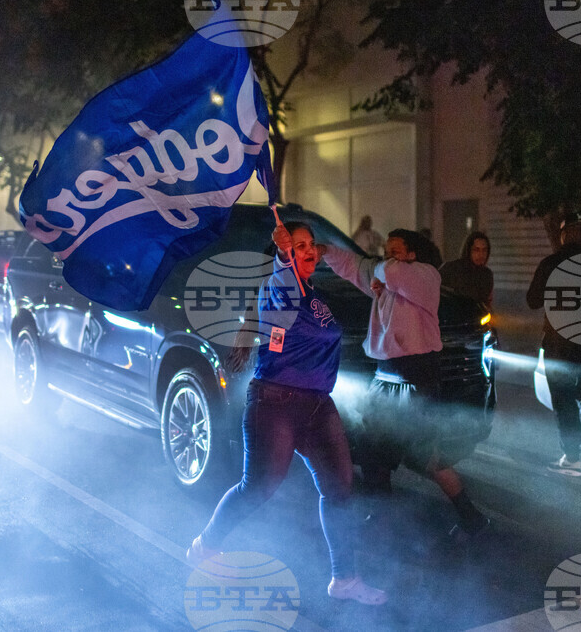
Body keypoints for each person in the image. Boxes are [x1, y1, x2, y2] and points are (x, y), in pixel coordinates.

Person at [188, 221, 387, 606]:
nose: (309, 251)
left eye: (311, 244)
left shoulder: (313, 294)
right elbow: (283, 282)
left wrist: (371, 283)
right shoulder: (278, 289)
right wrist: (283, 256)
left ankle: (345, 578)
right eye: (300, 246)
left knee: (340, 489)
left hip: (317, 405)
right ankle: (205, 547)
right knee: (257, 488)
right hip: (275, 405)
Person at [322, 229, 489, 541]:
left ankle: (472, 518)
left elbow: (386, 271)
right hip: (385, 377)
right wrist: (325, 251)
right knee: (374, 452)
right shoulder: (388, 276)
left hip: (415, 379)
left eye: (396, 251)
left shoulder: (425, 276)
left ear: (413, 255)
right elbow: (358, 266)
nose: (388, 257)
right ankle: (384, 520)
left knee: (426, 457)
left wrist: (380, 273)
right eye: (387, 251)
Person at [527, 213, 581, 477]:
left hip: (560, 342)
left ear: (564, 235)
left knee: (564, 397)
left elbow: (532, 300)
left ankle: (572, 458)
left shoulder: (551, 263)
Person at [439, 231, 493, 306]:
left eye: (484, 250)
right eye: (476, 250)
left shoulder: (486, 274)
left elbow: (485, 302)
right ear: (468, 250)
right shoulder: (451, 269)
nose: (481, 254)